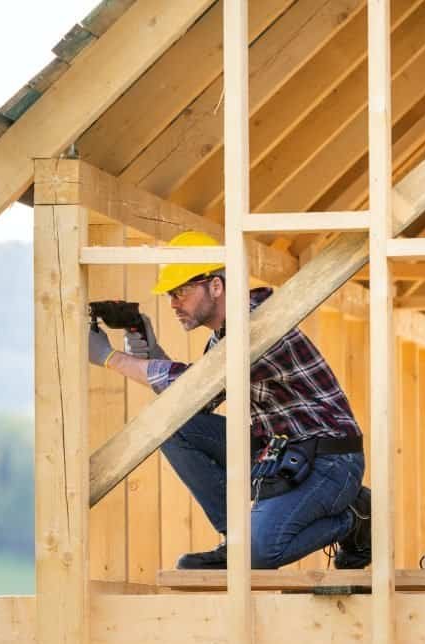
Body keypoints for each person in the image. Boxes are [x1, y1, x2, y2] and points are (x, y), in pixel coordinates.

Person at [88, 231, 371, 570]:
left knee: (258, 555)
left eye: (180, 292)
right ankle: (234, 538)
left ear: (216, 286)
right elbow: (197, 401)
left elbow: (195, 384)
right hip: (282, 451)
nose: (174, 303)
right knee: (170, 426)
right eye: (169, 296)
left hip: (330, 461)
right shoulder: (224, 336)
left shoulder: (259, 322)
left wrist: (111, 358)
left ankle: (355, 518)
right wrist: (152, 353)